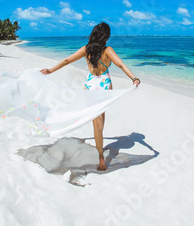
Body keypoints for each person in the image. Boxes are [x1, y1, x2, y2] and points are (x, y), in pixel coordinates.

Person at [40, 22, 140, 171]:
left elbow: (67, 60)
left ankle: (99, 145)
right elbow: (121, 65)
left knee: (96, 121)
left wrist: (51, 70)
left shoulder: (86, 50)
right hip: (104, 85)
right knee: (100, 118)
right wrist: (133, 78)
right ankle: (101, 156)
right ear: (106, 36)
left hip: (89, 84)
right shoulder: (108, 50)